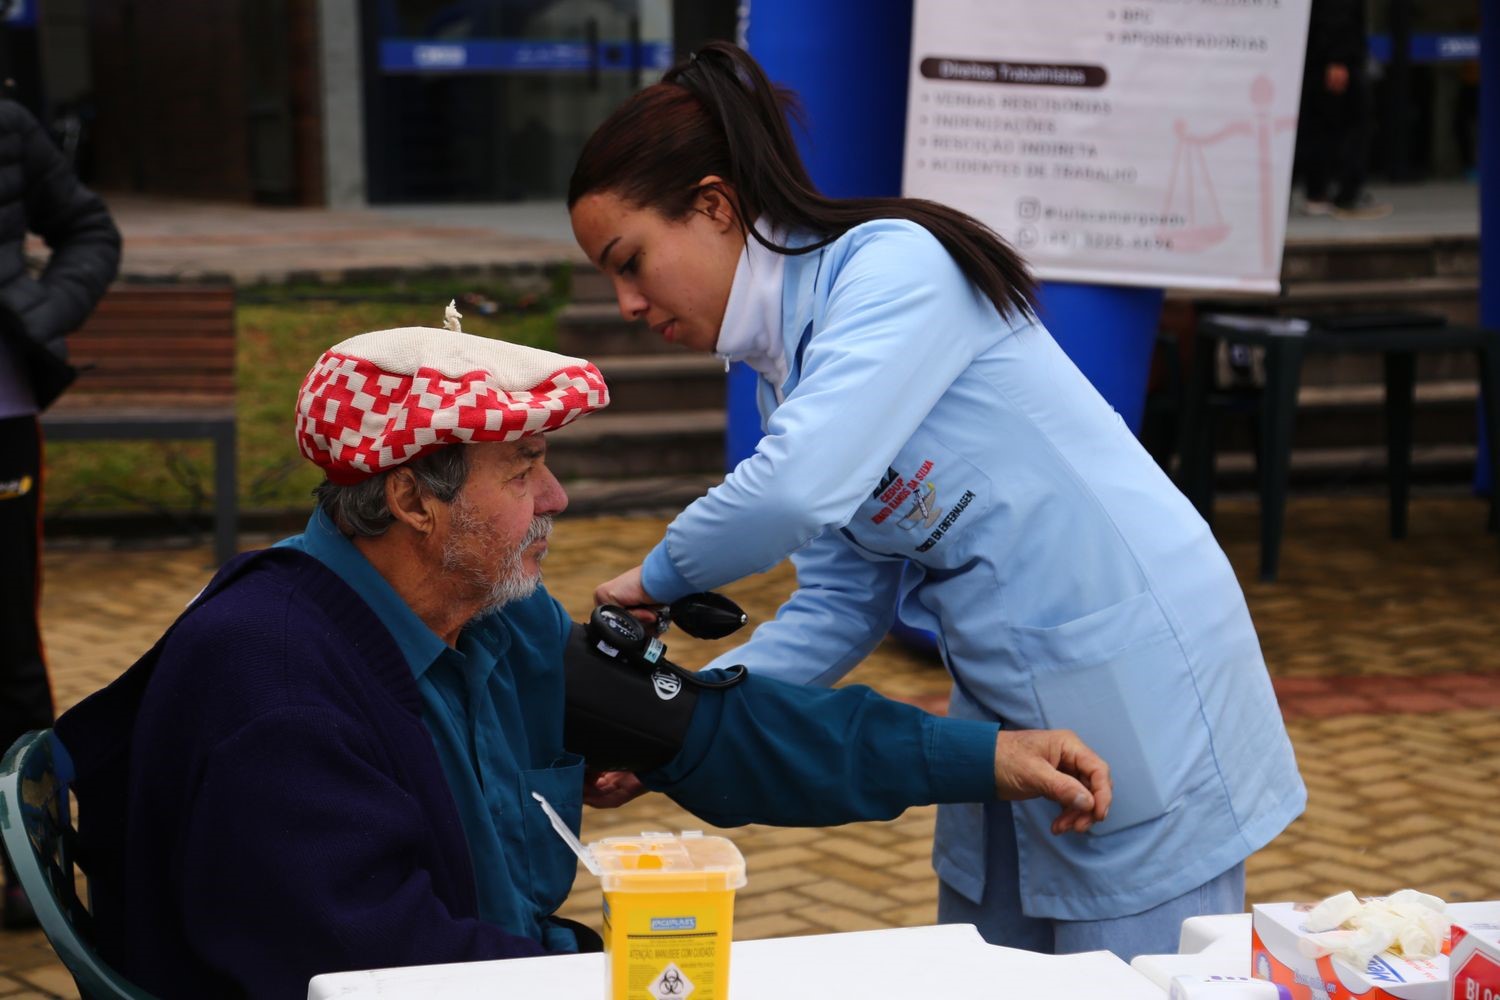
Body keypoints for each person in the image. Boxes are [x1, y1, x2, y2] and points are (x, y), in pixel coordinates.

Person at [49, 310, 1110, 998]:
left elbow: (708, 727)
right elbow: (380, 968)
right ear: (414, 499)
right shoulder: (275, 680)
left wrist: (984, 755)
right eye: (524, 469)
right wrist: (606, 976)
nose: (557, 497)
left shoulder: (488, 615)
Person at [567, 42, 1306, 961]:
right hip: (1003, 706)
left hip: (1139, 678)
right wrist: (673, 720)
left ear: (715, 206)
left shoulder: (892, 270)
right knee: (986, 964)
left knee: (1134, 972)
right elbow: (840, 606)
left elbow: (795, 486)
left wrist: (654, 580)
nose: (628, 303)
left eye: (631, 261)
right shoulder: (785, 380)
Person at [0, 96, 120, 930]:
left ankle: (28, 865)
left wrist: (36, 316)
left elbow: (90, 231)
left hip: (1, 423)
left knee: (7, 648)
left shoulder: (7, 126)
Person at [1297, 0, 1390, 219]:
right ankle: (1345, 195)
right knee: (1352, 124)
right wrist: (1337, 58)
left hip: (1323, 58)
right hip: (1336, 61)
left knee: (1322, 125)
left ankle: (1318, 193)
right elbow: (1336, 12)